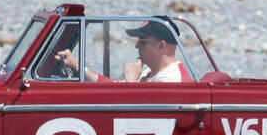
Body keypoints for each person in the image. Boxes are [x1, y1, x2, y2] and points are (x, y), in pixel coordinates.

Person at [55, 16, 193, 82]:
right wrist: (77, 66)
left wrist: (131, 82)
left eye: (142, 42)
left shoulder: (170, 80)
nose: (136, 46)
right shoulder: (152, 72)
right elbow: (113, 87)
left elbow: (141, 117)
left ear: (161, 46)